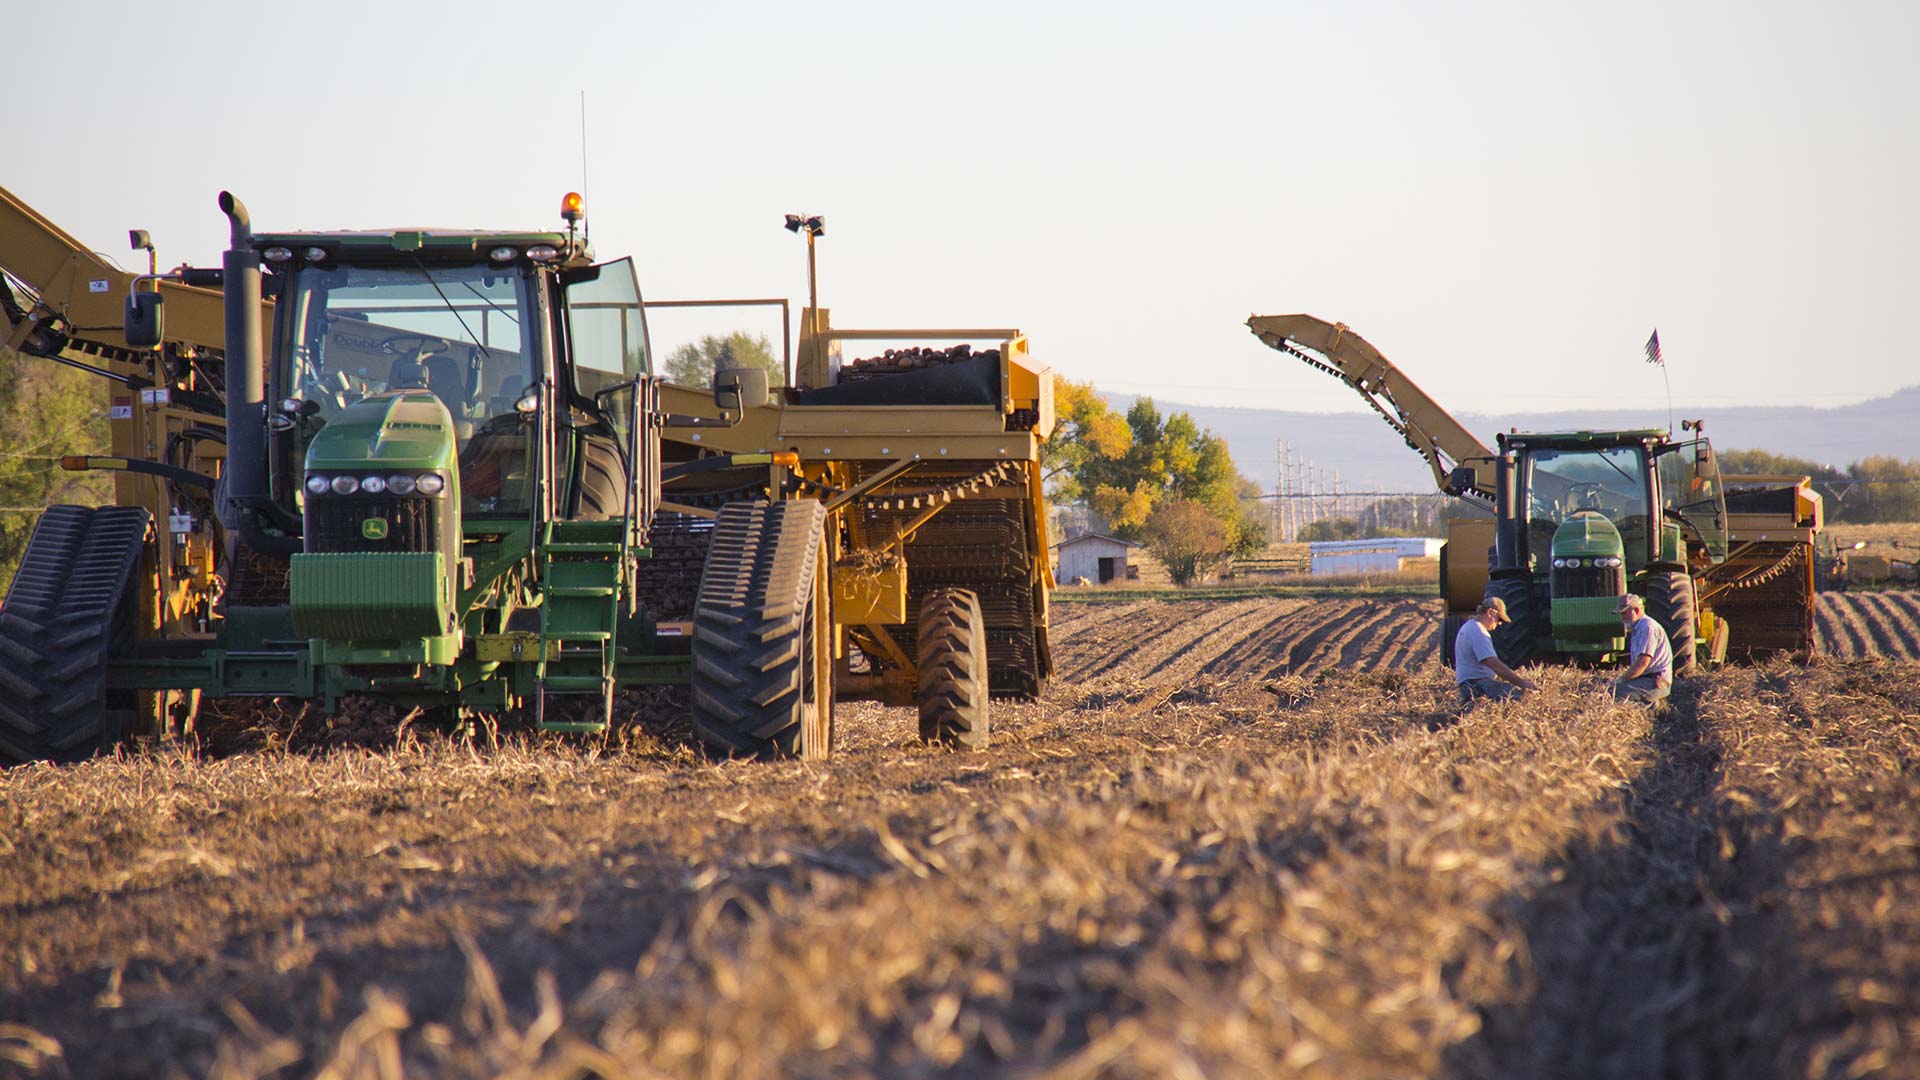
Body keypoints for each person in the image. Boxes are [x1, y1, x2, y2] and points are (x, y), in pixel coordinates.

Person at [1454, 596, 1538, 704]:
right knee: (1522, 697)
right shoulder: (1478, 632)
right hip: (1477, 685)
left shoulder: (1469, 627)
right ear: (1490, 613)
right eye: (1499, 618)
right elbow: (1493, 663)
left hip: (1470, 684)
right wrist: (1522, 683)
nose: (1499, 623)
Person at [1608, 593, 1673, 705]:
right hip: (1647, 679)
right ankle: (1652, 704)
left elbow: (1643, 662)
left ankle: (1652, 708)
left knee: (1613, 693)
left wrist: (1621, 680)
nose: (1622, 617)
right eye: (1621, 614)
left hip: (1655, 681)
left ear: (1637, 610)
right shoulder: (1637, 629)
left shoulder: (1647, 627)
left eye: (1625, 613)